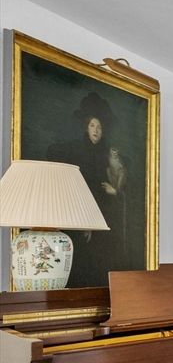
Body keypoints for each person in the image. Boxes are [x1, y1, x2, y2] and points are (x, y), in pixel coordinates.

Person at [46, 92, 131, 287]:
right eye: (93, 125)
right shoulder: (77, 150)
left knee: (105, 260)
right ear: (86, 127)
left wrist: (115, 191)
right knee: (83, 261)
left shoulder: (108, 153)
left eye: (99, 126)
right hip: (81, 214)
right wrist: (84, 219)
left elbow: (120, 178)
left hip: (105, 215)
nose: (96, 130)